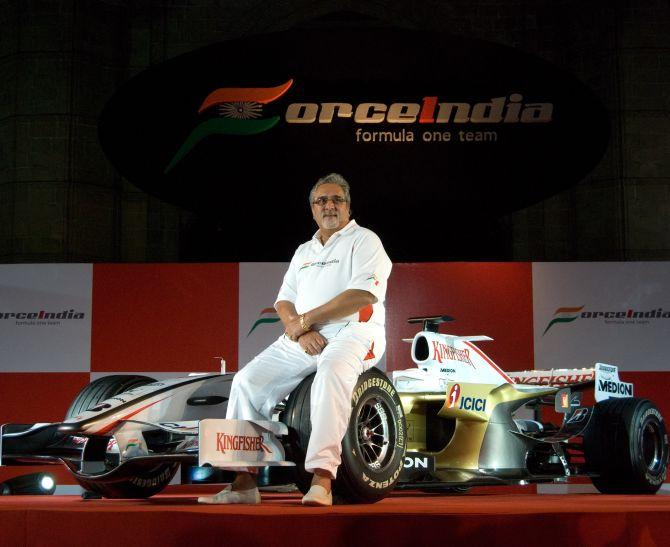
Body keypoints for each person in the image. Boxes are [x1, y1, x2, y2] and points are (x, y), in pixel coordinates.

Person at [198, 173, 392, 506]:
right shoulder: (304, 250)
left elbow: (360, 295)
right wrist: (300, 329)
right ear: (312, 210)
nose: (329, 206)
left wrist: (305, 322)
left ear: (348, 206)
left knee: (331, 372)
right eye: (321, 201)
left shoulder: (364, 240)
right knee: (247, 381)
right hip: (305, 334)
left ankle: (322, 479)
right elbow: (284, 301)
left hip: (354, 331)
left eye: (337, 200)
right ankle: (244, 483)